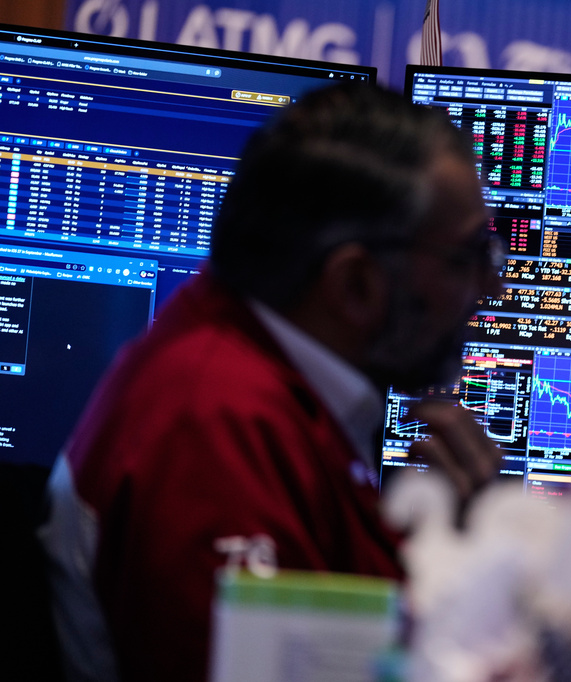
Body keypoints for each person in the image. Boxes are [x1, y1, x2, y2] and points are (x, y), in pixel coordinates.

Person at [39, 83, 504, 682]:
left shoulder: (257, 377)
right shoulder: (212, 427)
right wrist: (478, 585)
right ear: (356, 284)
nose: (493, 291)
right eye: (468, 258)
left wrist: (442, 554)